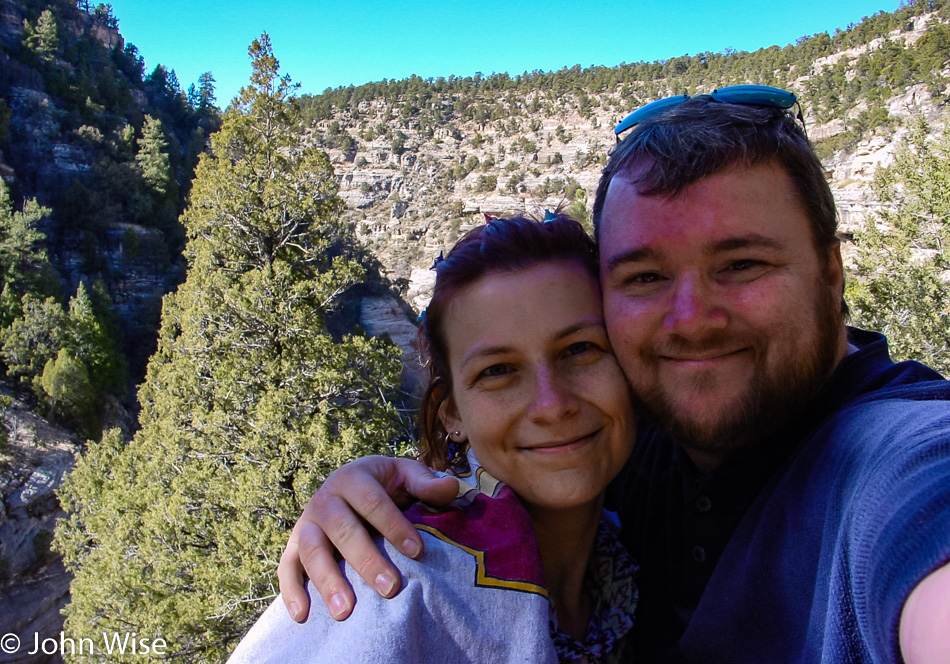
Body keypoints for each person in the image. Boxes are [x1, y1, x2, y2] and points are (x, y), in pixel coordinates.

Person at [277, 87, 950, 663]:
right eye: (646, 278)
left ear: (831, 270)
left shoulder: (898, 461)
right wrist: (362, 488)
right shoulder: (635, 445)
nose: (690, 320)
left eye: (742, 264)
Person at [229, 215, 639, 663]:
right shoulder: (395, 586)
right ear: (453, 414)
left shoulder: (646, 544)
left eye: (580, 349)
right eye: (498, 370)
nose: (552, 404)